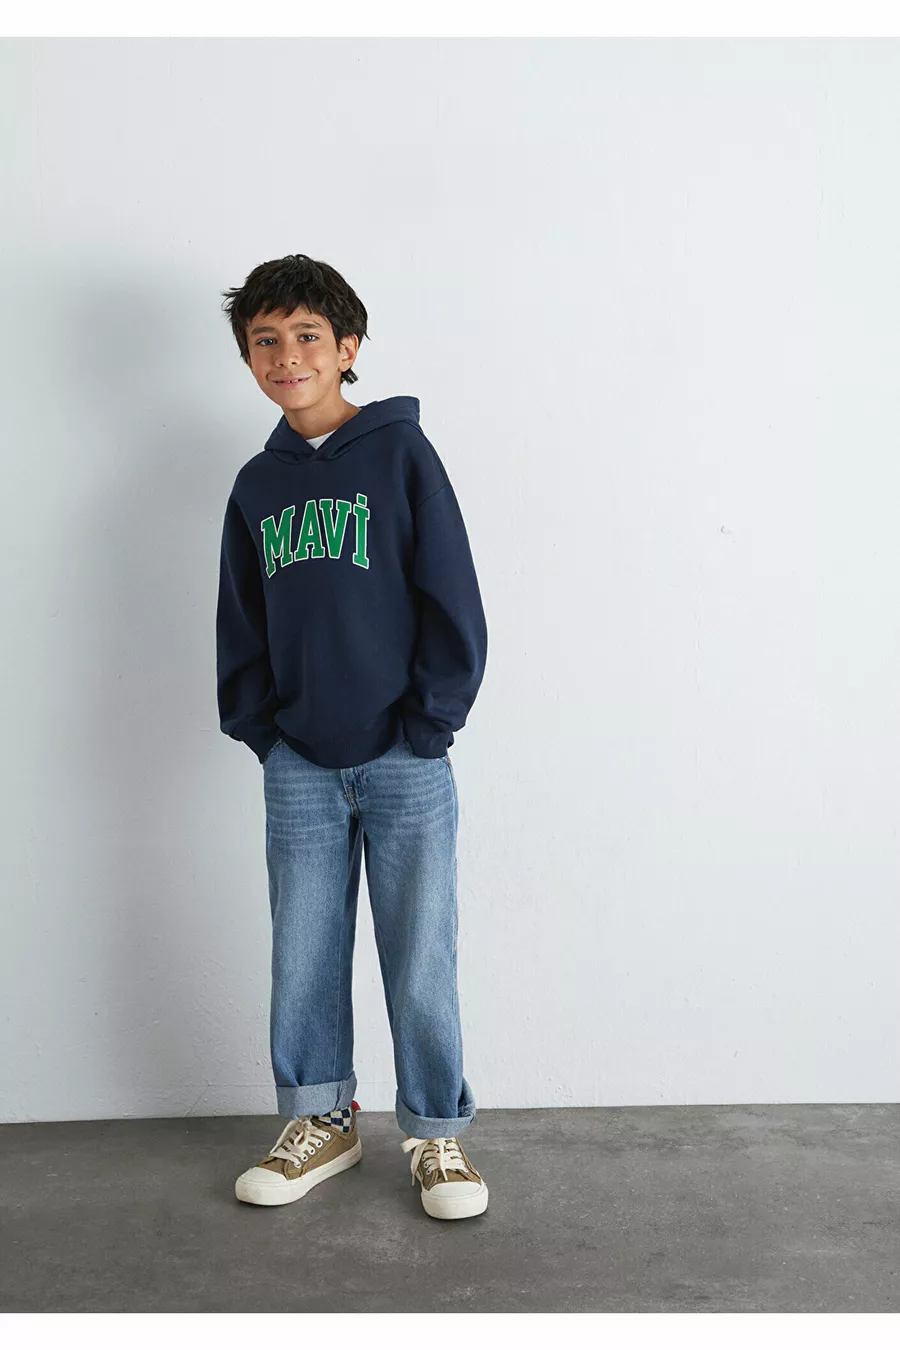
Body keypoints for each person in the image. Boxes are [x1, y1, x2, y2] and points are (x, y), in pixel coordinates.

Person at [215, 254, 489, 1220]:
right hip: (299, 759)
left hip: (405, 756)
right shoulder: (257, 485)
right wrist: (262, 730)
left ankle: (437, 1134)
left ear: (348, 348)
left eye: (307, 337)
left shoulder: (402, 455)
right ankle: (320, 1120)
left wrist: (429, 722)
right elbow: (240, 619)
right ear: (249, 358)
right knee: (303, 948)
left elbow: (451, 593)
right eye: (265, 341)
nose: (286, 356)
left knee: (420, 953)